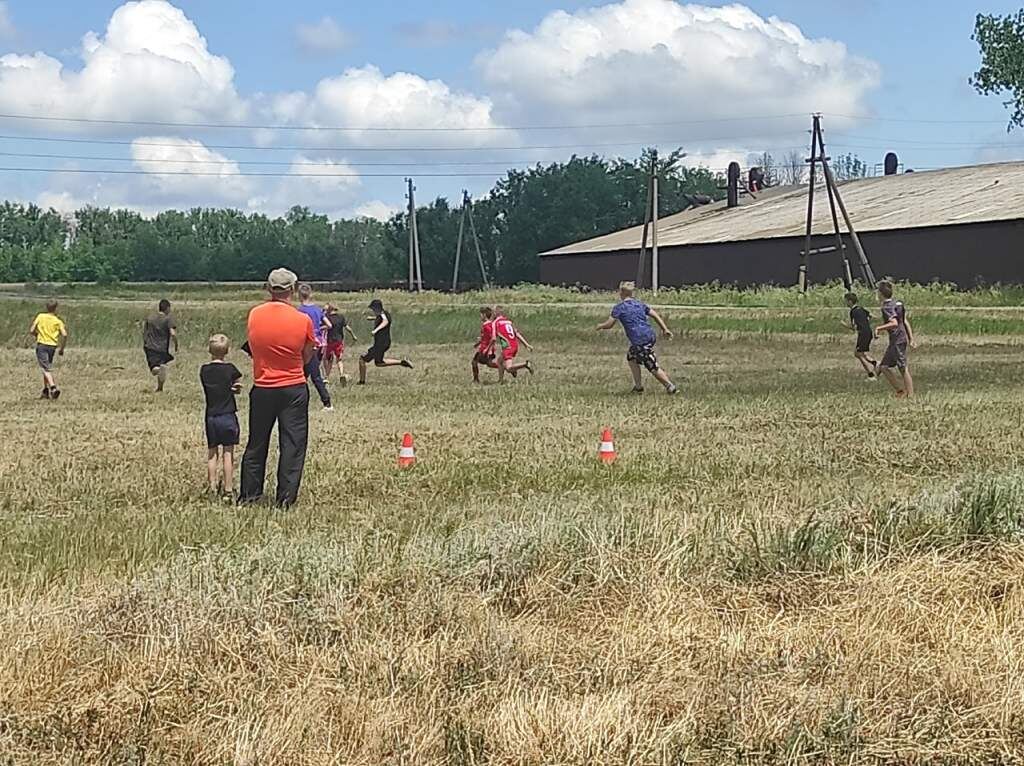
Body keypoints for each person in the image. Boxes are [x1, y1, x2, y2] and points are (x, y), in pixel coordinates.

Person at [239, 268, 316, 509]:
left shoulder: (254, 315)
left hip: (262, 386)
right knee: (292, 444)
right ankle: (285, 498)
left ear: (269, 289)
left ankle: (250, 495)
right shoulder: (302, 320)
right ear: (292, 289)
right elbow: (307, 355)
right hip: (293, 386)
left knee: (257, 443)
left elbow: (253, 345)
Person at [596, 281, 679, 395]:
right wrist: (665, 329)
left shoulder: (619, 308)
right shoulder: (639, 304)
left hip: (640, 340)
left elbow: (610, 324)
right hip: (649, 335)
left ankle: (670, 386)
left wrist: (600, 326)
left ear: (621, 292)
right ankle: (638, 387)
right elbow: (654, 315)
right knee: (632, 357)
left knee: (651, 364)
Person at [200, 334, 242, 498]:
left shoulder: (204, 370)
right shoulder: (230, 369)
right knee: (228, 453)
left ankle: (211, 486)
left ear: (209, 350)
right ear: (227, 351)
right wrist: (235, 388)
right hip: (227, 415)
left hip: (211, 416)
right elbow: (237, 382)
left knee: (212, 453)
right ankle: (228, 489)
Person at [874, 280, 916, 398]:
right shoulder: (898, 303)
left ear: (880, 294)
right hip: (898, 339)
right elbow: (904, 321)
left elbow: (894, 323)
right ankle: (900, 391)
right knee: (884, 367)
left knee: (902, 367)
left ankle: (911, 395)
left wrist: (879, 328)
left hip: (897, 339)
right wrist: (911, 338)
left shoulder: (886, 307)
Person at [296, 283, 333, 411]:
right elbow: (329, 325)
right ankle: (299, 401)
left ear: (299, 295)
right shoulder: (317, 309)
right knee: (303, 375)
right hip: (320, 343)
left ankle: (327, 402)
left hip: (309, 345)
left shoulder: (300, 311)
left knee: (315, 375)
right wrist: (318, 329)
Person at [358, 299, 413, 384]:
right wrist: (373, 318)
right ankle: (402, 362)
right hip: (384, 343)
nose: (372, 311)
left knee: (362, 359)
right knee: (379, 363)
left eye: (373, 309)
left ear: (377, 308)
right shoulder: (383, 314)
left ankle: (362, 382)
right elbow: (383, 318)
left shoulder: (383, 315)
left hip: (380, 344)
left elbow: (385, 321)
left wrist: (375, 330)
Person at [28, 299, 67, 400]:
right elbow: (64, 334)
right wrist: (62, 348)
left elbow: (31, 330)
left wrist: (37, 335)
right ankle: (45, 390)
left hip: (42, 344)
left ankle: (53, 387)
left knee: (45, 368)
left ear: (46, 307)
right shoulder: (58, 321)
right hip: (52, 346)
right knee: (46, 367)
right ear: (56, 308)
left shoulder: (41, 316)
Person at [143, 299, 178, 392]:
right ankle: (160, 386)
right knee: (160, 366)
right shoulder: (168, 319)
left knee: (154, 368)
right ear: (167, 308)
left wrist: (145, 343)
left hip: (150, 346)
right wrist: (176, 344)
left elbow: (145, 332)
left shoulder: (150, 318)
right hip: (162, 348)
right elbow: (173, 333)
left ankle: (159, 384)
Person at [491, 308, 534, 383]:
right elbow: (517, 334)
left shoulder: (495, 323)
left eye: (493, 313)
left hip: (507, 346)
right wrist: (527, 345)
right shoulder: (509, 321)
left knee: (508, 368)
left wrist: (490, 347)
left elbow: (494, 337)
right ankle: (500, 380)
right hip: (514, 345)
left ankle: (525, 365)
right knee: (499, 361)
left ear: (495, 313)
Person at [844, 292, 878, 380]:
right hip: (868, 332)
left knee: (858, 353)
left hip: (862, 333)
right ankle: (874, 363)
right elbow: (871, 316)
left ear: (850, 302)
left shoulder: (853, 311)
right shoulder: (861, 308)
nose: (846, 303)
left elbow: (853, 327)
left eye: (846, 301)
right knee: (861, 353)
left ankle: (871, 375)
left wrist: (844, 324)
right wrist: (866, 322)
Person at [322, 303, 358, 386]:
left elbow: (326, 327)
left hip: (330, 341)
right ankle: (341, 374)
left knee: (329, 360)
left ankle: (326, 378)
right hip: (339, 341)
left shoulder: (327, 318)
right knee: (339, 359)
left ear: (329, 310)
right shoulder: (341, 317)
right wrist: (353, 335)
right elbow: (347, 327)